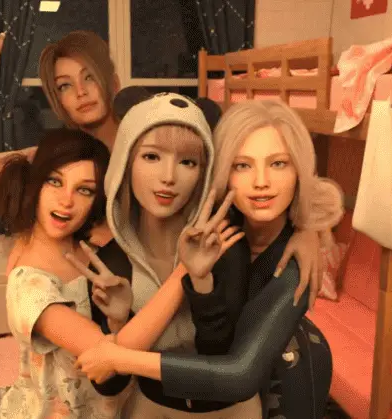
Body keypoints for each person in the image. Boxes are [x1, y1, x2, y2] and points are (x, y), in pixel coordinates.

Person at [0, 3, 327, 305]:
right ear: (57, 99)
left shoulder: (158, 139)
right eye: (65, 85)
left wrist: (306, 229)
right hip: (111, 296)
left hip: (186, 285)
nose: (81, 92)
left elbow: (247, 179)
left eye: (89, 77)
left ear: (113, 81)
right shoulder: (63, 159)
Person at [75, 99, 343, 419]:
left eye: (279, 164)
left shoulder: (290, 262)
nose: (261, 181)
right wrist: (119, 325)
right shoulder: (221, 223)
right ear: (222, 171)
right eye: (242, 165)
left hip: (283, 376)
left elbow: (239, 373)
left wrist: (120, 358)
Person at [0, 128, 122, 418]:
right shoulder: (29, 284)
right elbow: (109, 354)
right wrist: (182, 276)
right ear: (35, 185)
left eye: (84, 190)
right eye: (55, 181)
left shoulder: (91, 251)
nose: (66, 200)